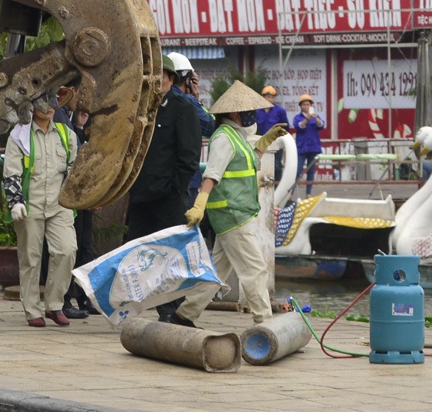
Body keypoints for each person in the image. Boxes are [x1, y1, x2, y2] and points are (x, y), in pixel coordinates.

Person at [177, 80, 276, 327]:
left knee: (216, 272)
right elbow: (212, 174)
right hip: (232, 215)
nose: (252, 114)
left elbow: (247, 163)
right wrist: (199, 204)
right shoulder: (223, 137)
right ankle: (266, 324)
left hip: (235, 213)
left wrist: (263, 145)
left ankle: (185, 315)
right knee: (255, 270)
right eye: (248, 109)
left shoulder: (236, 136)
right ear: (234, 113)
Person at [6, 96, 77, 328]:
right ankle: (32, 309)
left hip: (60, 204)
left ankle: (55, 304)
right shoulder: (20, 135)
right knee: (30, 257)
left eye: (53, 101)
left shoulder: (67, 134)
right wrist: (15, 201)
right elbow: (12, 171)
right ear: (32, 105)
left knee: (67, 250)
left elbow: (75, 169)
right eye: (43, 102)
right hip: (30, 204)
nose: (49, 107)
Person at [128, 57, 204, 243]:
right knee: (138, 252)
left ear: (171, 79)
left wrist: (176, 188)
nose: (157, 81)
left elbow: (190, 154)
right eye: (153, 76)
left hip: (169, 199)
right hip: (141, 198)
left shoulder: (183, 108)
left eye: (161, 76)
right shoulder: (139, 109)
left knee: (170, 255)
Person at [57, 83, 98, 320]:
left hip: (81, 195)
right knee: (71, 248)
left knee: (84, 246)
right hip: (71, 194)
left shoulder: (73, 118)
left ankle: (82, 296)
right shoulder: (61, 117)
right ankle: (65, 299)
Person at [290, 93, 324, 195]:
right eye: (304, 104)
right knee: (297, 171)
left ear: (311, 106)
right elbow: (299, 126)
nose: (306, 106)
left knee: (311, 172)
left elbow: (322, 125)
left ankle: (308, 193)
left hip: (313, 147)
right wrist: (307, 119)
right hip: (302, 148)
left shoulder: (316, 117)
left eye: (308, 104)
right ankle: (290, 194)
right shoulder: (297, 117)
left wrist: (316, 118)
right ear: (300, 106)